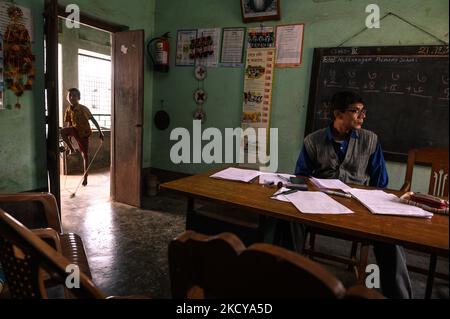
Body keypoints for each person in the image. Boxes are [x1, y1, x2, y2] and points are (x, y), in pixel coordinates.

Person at [290, 91, 412, 299]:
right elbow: (300, 177)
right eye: (356, 111)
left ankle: (399, 295)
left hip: (359, 208)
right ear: (338, 114)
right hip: (319, 205)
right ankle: (287, 276)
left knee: (389, 235)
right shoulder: (313, 141)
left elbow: (381, 182)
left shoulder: (370, 140)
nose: (362, 116)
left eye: (363, 111)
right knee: (287, 218)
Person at [61, 88, 104, 186]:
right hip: (75, 130)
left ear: (78, 97)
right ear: (67, 97)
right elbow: (69, 124)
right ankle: (72, 149)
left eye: (74, 95)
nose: (71, 97)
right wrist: (69, 139)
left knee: (85, 156)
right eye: (70, 95)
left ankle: (85, 177)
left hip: (84, 134)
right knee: (62, 131)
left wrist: (100, 132)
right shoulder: (68, 110)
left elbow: (93, 120)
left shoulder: (83, 108)